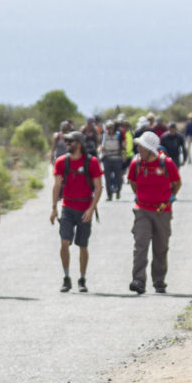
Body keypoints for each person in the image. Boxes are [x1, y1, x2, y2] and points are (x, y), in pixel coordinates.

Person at [127, 131, 182, 295]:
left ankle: (159, 281)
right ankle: (138, 280)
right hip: (142, 209)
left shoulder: (167, 163)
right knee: (140, 245)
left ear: (150, 149)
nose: (138, 148)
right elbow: (132, 182)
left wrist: (170, 198)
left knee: (160, 247)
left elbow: (177, 183)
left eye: (141, 146)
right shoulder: (136, 163)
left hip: (162, 211)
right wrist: (141, 197)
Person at [50, 131, 103, 293]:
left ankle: (82, 279)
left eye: (70, 142)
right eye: (66, 142)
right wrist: (54, 208)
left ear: (79, 144)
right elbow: (57, 185)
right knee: (64, 241)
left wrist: (91, 209)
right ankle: (66, 278)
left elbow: (99, 187)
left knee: (82, 245)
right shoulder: (61, 162)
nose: (67, 144)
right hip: (67, 207)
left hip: (84, 208)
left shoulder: (91, 162)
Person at [99, 120, 126, 200]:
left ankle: (118, 191)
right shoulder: (104, 135)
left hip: (117, 158)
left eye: (111, 127)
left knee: (118, 178)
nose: (110, 129)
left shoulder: (119, 135)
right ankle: (109, 195)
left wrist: (124, 155)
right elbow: (101, 145)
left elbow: (123, 146)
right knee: (107, 178)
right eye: (108, 128)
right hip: (107, 158)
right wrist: (100, 149)